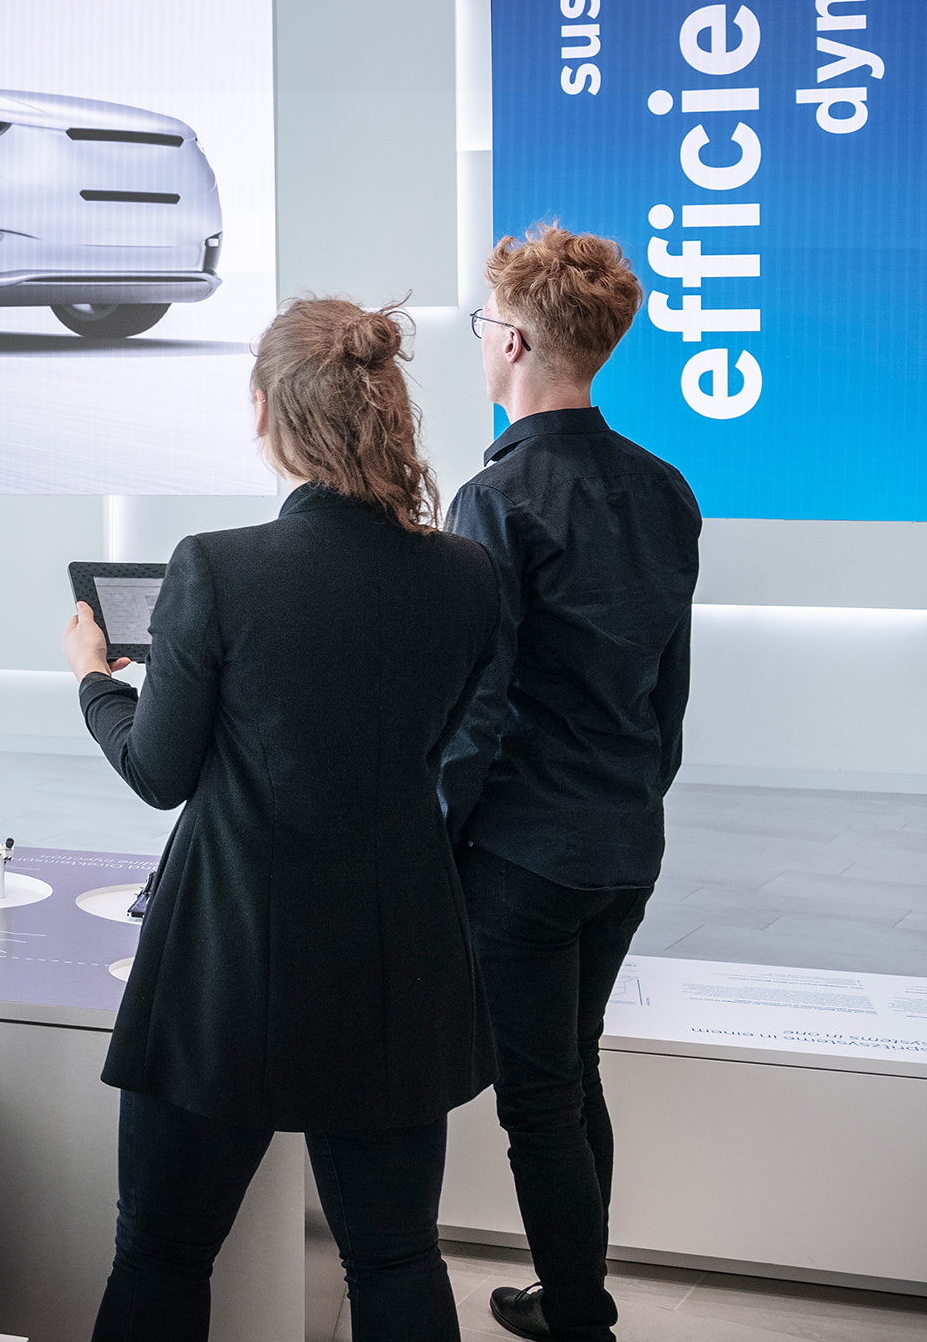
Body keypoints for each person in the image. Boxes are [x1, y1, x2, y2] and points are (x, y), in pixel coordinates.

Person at [64, 297, 504, 1342]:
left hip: (232, 961)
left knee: (164, 1257)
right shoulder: (469, 576)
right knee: (397, 1262)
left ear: (266, 413)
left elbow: (158, 773)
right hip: (399, 954)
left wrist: (96, 680)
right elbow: (437, 746)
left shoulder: (217, 567)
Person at [444, 226, 701, 1342]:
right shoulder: (665, 488)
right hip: (624, 842)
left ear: (508, 339)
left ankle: (581, 1320)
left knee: (539, 1097)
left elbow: (477, 709)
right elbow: (667, 700)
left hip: (524, 854)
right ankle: (573, 1294)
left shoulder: (494, 499)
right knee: (571, 1071)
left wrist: (435, 841)